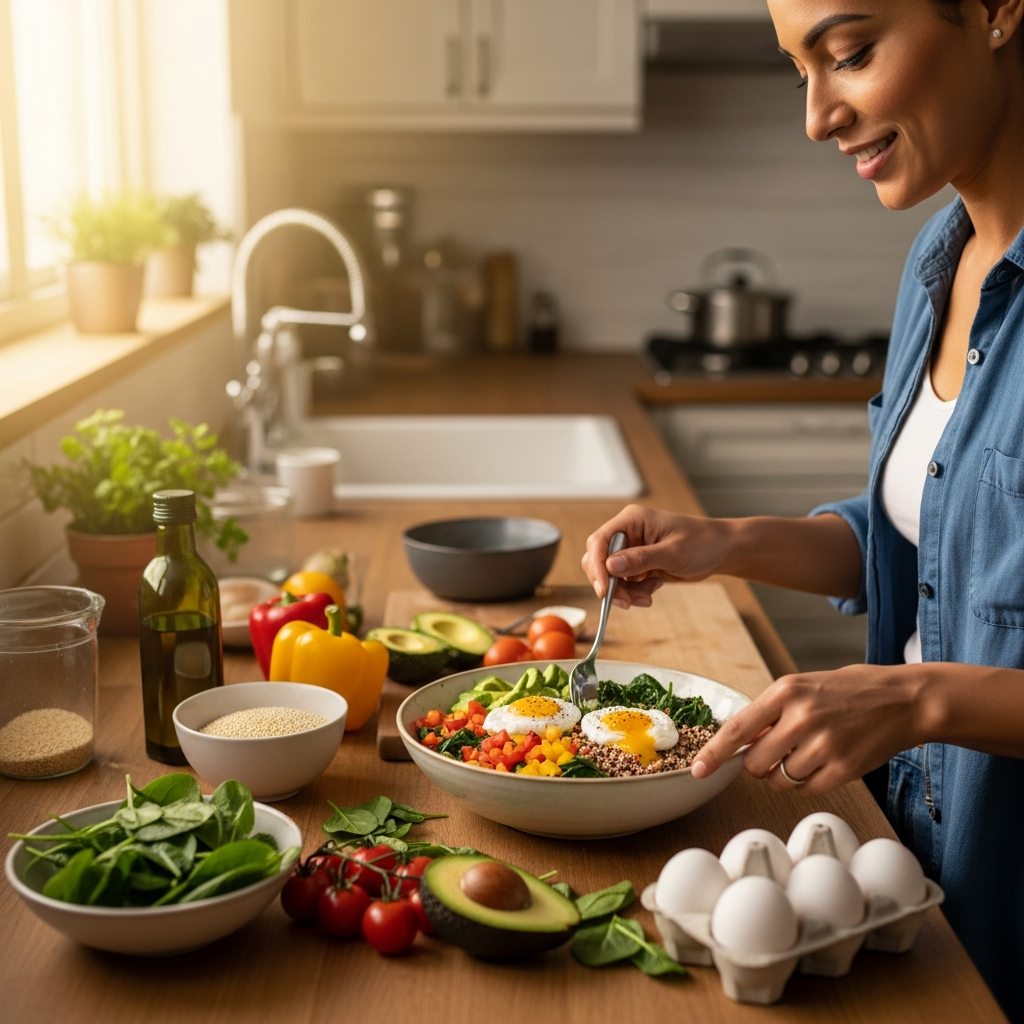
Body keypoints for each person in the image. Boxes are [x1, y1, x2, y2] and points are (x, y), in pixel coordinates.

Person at [583, 1, 1024, 1018]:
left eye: (850, 54)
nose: (819, 116)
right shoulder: (937, 261)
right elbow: (928, 543)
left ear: (998, 11)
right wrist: (725, 542)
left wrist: (915, 700)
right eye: (800, 75)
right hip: (908, 863)